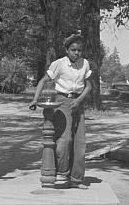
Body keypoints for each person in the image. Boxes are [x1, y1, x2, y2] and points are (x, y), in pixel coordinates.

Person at [29, 33, 93, 189]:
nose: (76, 53)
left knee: (79, 144)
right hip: (61, 101)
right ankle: (62, 172)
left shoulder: (85, 64)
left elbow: (89, 86)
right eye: (73, 50)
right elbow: (43, 81)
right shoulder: (59, 64)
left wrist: (78, 100)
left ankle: (76, 179)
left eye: (79, 50)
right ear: (67, 50)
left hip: (78, 102)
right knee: (64, 141)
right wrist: (35, 100)